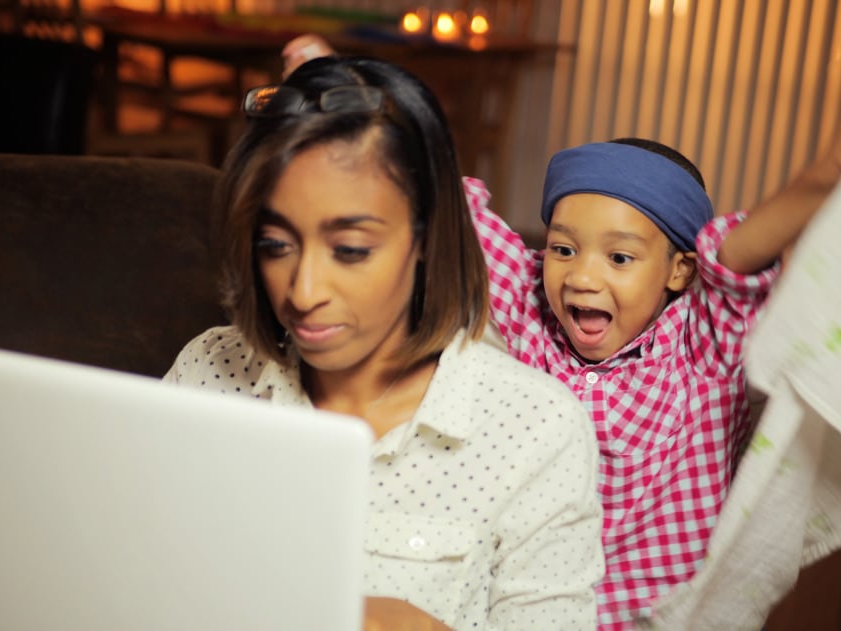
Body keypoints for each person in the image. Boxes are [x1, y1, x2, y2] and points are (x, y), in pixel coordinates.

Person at [280, 36, 841, 629]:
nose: (581, 275)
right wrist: (343, 100)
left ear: (679, 271)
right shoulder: (533, 304)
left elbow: (737, 258)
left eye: (620, 258)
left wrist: (826, 176)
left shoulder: (699, 346)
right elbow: (445, 201)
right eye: (563, 247)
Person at [163, 55, 605, 630]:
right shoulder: (208, 373)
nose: (303, 291)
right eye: (275, 245)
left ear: (427, 236)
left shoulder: (536, 429)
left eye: (350, 250)